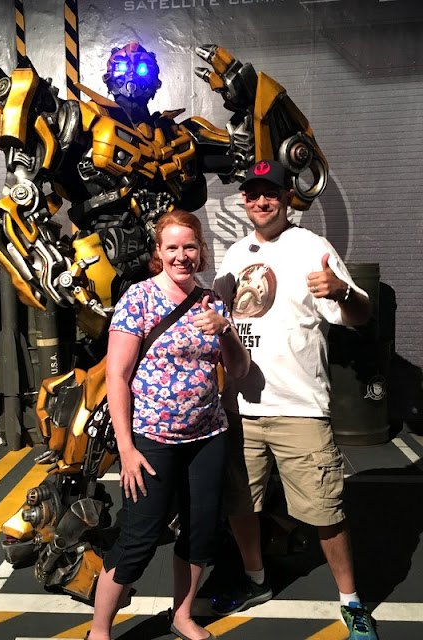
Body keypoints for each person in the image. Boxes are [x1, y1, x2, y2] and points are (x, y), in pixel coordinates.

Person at [212, 160, 379, 640]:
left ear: (288, 197)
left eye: (271, 192)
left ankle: (351, 602)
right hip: (240, 408)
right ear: (243, 200)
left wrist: (342, 291)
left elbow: (361, 313)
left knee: (326, 512)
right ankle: (256, 580)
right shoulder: (235, 254)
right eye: (253, 193)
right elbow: (219, 315)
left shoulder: (312, 247)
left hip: (299, 408)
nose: (261, 201)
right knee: (241, 504)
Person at [87, 209, 250, 640]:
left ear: (201, 250)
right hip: (151, 439)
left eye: (189, 246)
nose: (182, 256)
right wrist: (126, 448)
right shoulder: (138, 299)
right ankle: (99, 630)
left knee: (200, 533)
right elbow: (117, 376)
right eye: (172, 247)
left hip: (207, 437)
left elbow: (239, 369)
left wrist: (225, 329)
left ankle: (182, 615)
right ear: (159, 252)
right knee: (138, 538)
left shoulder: (212, 302)